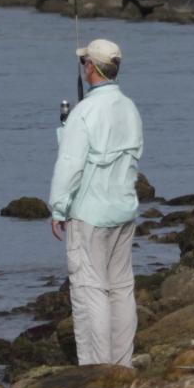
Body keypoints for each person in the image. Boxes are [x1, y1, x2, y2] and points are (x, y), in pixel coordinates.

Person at [47, 38, 144, 367]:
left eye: (84, 62)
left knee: (90, 289)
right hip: (124, 211)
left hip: (89, 214)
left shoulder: (84, 112)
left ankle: (97, 369)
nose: (83, 67)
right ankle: (122, 365)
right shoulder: (129, 108)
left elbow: (70, 164)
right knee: (121, 288)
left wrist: (58, 208)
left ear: (91, 67)